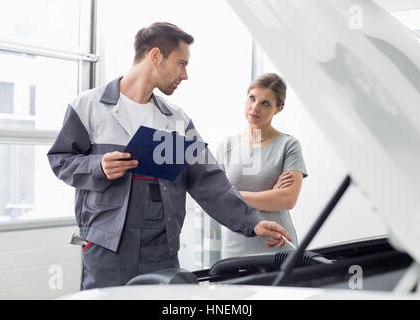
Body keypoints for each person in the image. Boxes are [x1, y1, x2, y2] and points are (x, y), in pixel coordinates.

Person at [47, 22, 291, 290]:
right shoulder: (89, 107)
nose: (185, 75)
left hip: (161, 252)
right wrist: (97, 166)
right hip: (107, 248)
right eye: (181, 63)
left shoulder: (176, 120)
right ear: (155, 56)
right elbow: (62, 159)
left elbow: (209, 182)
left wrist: (252, 221)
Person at [217, 73, 308, 259]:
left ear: (279, 108)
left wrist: (234, 195)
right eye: (252, 98)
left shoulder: (288, 145)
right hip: (234, 251)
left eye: (265, 103)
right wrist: (270, 195)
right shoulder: (226, 147)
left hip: (278, 249)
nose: (254, 107)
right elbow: (218, 201)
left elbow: (288, 199)